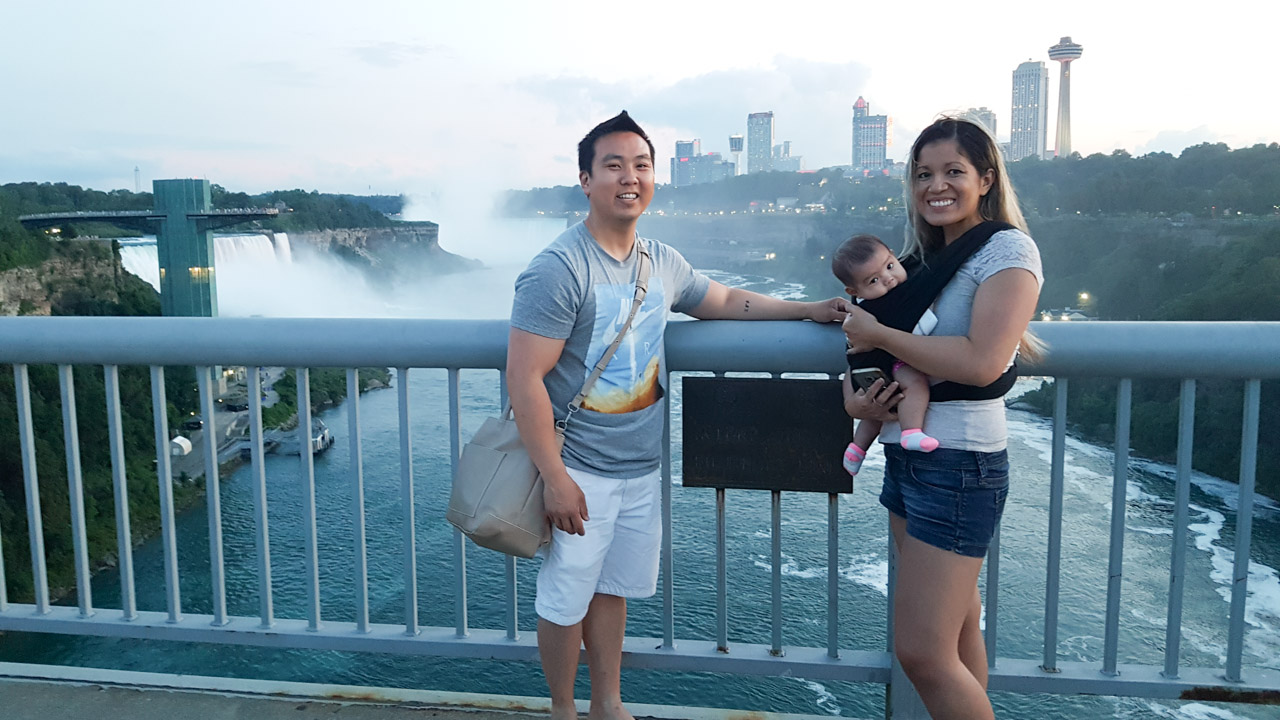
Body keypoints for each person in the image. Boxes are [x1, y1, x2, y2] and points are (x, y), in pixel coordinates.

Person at [506, 110, 851, 720]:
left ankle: (608, 705)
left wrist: (808, 310)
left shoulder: (658, 260)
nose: (629, 177)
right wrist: (555, 477)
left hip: (641, 465)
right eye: (612, 165)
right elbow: (525, 378)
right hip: (579, 467)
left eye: (641, 165)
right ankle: (563, 710)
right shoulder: (560, 267)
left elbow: (723, 301)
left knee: (613, 593)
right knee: (565, 599)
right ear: (585, 179)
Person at [841, 116, 1043, 720]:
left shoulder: (1009, 250)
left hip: (961, 464)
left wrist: (878, 332)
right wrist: (859, 406)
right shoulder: (916, 262)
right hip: (911, 457)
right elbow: (869, 353)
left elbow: (982, 361)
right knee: (958, 629)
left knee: (923, 653)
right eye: (924, 174)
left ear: (985, 179)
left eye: (954, 171)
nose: (937, 185)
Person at [830, 233, 939, 479]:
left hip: (863, 370)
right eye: (874, 280)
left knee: (875, 413)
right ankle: (911, 431)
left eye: (890, 267)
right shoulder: (892, 303)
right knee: (916, 384)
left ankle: (856, 450)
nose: (888, 280)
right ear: (853, 290)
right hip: (891, 363)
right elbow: (921, 328)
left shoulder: (859, 311)